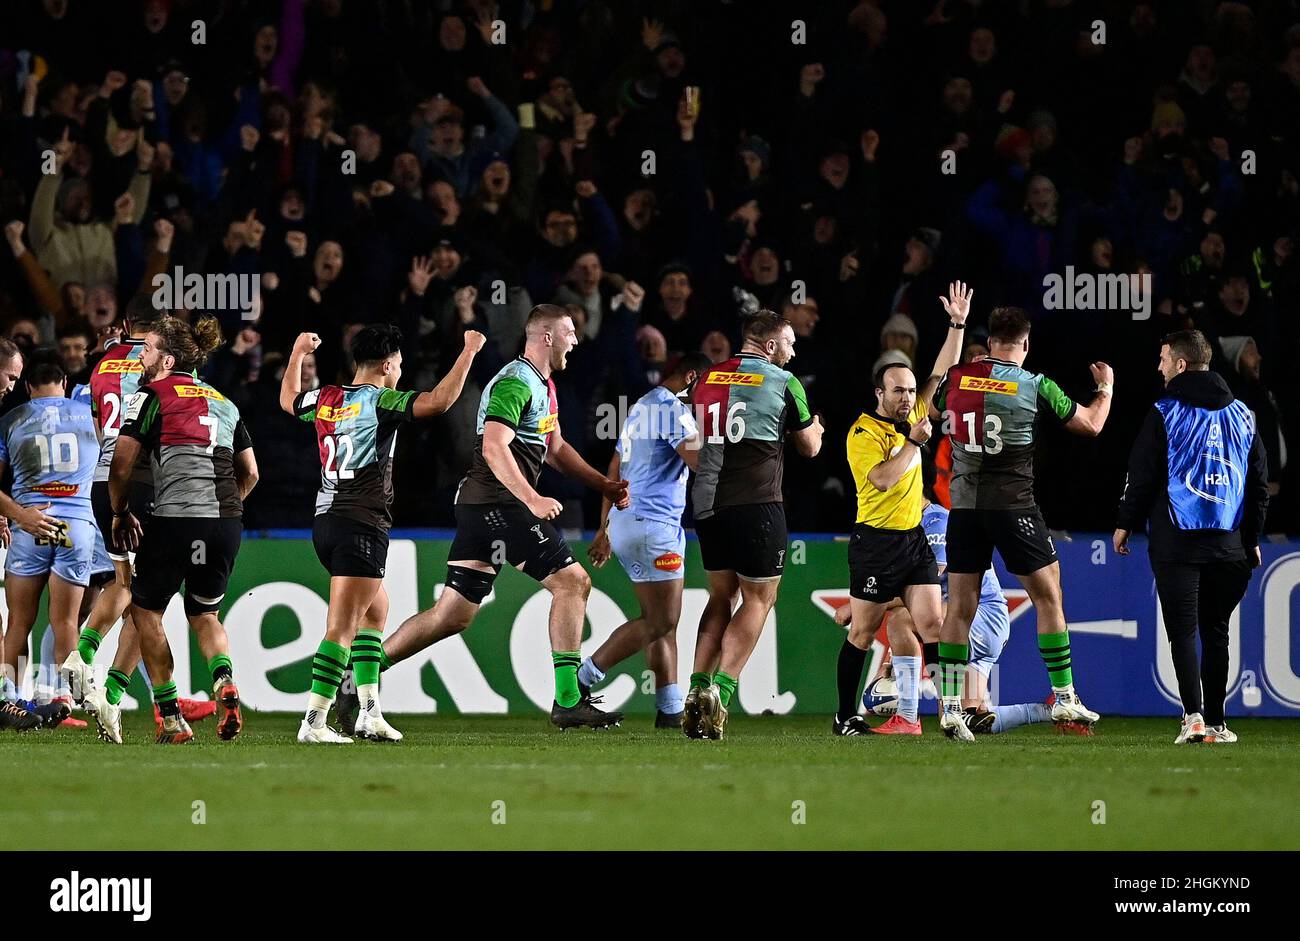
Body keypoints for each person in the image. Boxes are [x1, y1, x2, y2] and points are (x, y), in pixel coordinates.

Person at [361, 305, 631, 729]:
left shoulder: (544, 385)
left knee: (452, 615)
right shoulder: (515, 381)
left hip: (481, 505)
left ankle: (359, 679)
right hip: (497, 504)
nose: (575, 341)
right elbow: (493, 446)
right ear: (546, 337)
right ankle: (567, 699)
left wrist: (604, 485)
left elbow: (556, 448)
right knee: (572, 582)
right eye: (570, 332)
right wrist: (533, 499)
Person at [281, 324, 485, 744]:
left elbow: (288, 401)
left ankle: (370, 713)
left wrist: (298, 352)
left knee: (376, 612)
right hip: (361, 522)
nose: (400, 371)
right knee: (342, 626)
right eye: (400, 365)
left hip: (327, 521)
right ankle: (314, 722)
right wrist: (469, 350)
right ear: (388, 364)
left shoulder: (326, 398)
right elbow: (440, 401)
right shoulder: (381, 400)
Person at [930, 305, 1113, 741]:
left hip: (964, 510)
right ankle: (1065, 695)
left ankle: (952, 706)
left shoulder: (958, 379)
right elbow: (1089, 426)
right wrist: (1105, 388)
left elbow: (935, 403)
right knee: (1049, 596)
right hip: (1014, 508)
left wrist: (956, 330)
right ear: (1025, 344)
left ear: (990, 343)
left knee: (959, 607)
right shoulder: (1035, 384)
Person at [103, 317, 258, 745]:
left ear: (168, 359)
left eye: (148, 349)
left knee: (145, 611)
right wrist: (223, 513)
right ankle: (224, 679)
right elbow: (251, 473)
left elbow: (121, 464)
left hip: (174, 518)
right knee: (205, 613)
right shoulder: (225, 402)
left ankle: (171, 718)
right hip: (226, 521)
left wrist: (120, 512)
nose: (140, 355)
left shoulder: (150, 395)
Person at [1113, 330, 1268, 744]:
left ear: (1181, 365)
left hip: (1177, 542)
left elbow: (1141, 474)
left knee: (1182, 632)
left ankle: (1194, 718)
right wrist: (1252, 536)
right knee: (1216, 630)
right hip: (1229, 545)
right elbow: (1257, 484)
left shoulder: (1164, 412)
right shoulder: (1243, 415)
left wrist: (1125, 521)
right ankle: (1217, 721)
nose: (1158, 366)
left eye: (1163, 358)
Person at [835, 282, 970, 736]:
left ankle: (950, 709)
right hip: (875, 542)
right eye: (898, 391)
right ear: (879, 393)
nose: (908, 398)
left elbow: (942, 370)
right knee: (860, 632)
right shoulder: (862, 433)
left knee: (934, 624)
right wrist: (913, 443)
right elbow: (882, 479)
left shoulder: (915, 414)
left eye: (911, 391)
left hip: (913, 540)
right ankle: (843, 714)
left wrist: (957, 324)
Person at [683, 310, 824, 739]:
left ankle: (695, 688)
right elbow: (809, 448)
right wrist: (816, 427)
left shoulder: (705, 378)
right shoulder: (785, 383)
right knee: (760, 599)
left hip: (706, 505)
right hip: (757, 504)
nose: (793, 351)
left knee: (720, 596)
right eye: (789, 343)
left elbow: (692, 431)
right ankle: (721, 693)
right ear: (769, 346)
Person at [584, 352, 711, 727]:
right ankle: (581, 680)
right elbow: (699, 462)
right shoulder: (673, 409)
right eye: (705, 386)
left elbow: (614, 468)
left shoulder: (642, 405)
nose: (707, 396)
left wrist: (604, 528)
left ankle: (669, 708)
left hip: (627, 522)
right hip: (655, 526)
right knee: (661, 620)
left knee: (657, 620)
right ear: (691, 376)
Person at [0, 360, 98, 728]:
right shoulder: (88, 415)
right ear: (65, 382)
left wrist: (18, 515)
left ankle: (8, 698)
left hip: (29, 523)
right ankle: (69, 700)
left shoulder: (11, 420)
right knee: (66, 622)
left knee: (19, 623)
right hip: (74, 525)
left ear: (27, 387)